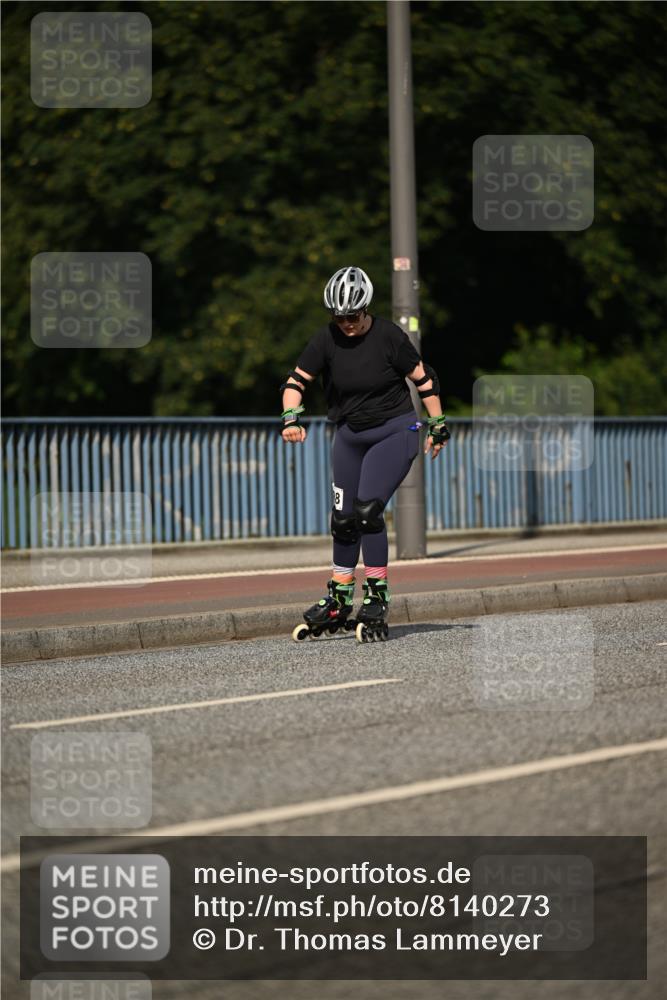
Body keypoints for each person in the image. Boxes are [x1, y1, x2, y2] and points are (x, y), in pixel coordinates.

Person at [280, 265, 450, 641]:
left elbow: (424, 378)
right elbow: (296, 381)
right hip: (350, 435)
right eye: (339, 317)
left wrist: (438, 425)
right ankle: (339, 596)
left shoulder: (389, 336)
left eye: (353, 316)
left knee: (367, 510)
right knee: (342, 519)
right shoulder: (326, 339)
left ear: (366, 309)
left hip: (395, 431)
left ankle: (376, 595)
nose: (347, 324)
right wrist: (290, 417)